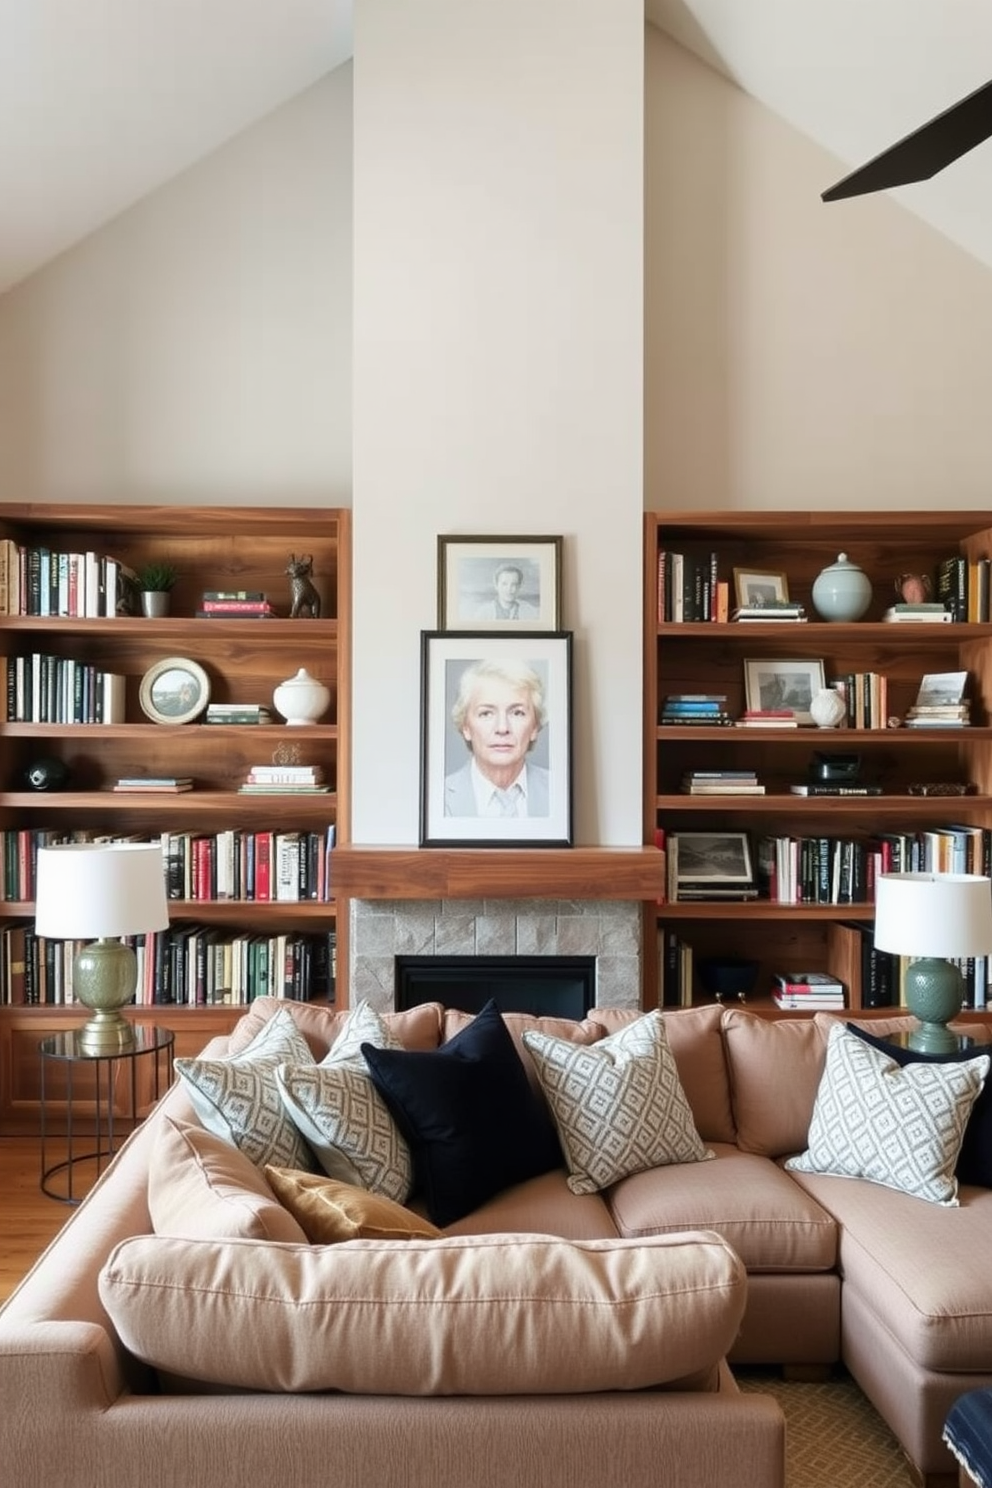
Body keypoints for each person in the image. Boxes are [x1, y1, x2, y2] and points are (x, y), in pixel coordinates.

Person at [444, 657, 550, 817]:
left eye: (517, 713)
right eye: (486, 713)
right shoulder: (439, 798)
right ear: (465, 726)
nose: (502, 728)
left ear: (534, 727)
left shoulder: (560, 791)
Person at [474, 562, 539, 621]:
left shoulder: (531, 612)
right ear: (496, 585)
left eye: (514, 584)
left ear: (519, 587)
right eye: (504, 584)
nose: (509, 589)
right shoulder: (483, 613)